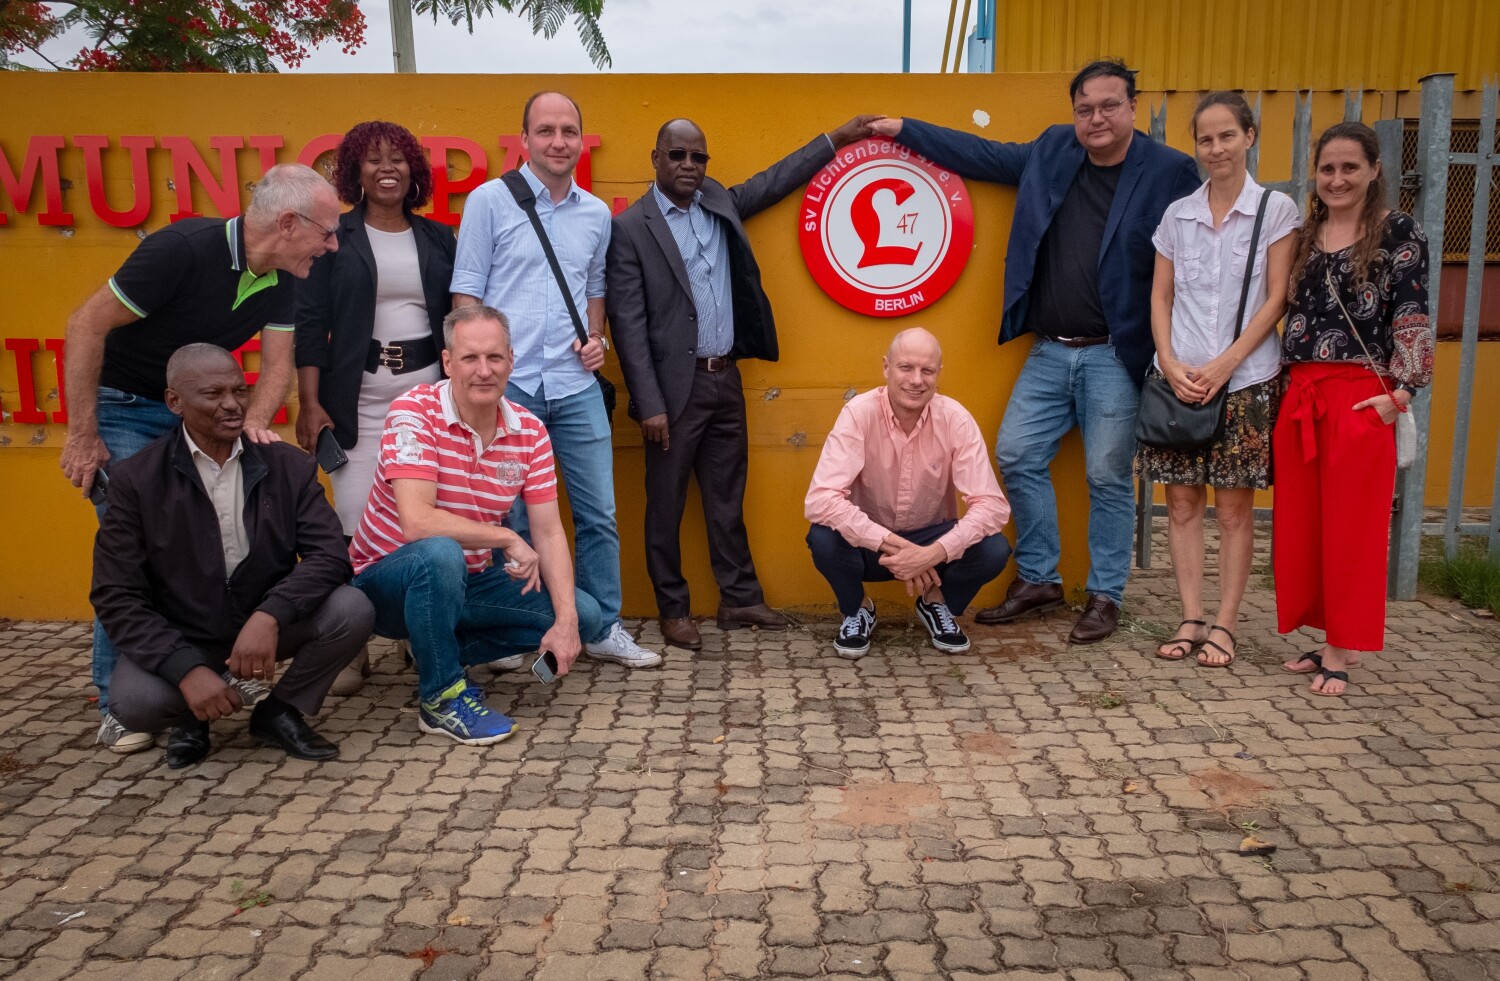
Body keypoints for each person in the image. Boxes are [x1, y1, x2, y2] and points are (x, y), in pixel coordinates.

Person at [869, 60, 1200, 644]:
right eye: (1084, 109)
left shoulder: (1170, 172)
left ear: (1132, 107)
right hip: (1049, 350)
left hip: (1115, 354)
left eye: (1108, 106)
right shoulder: (1052, 150)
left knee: (1106, 476)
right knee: (1017, 455)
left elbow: (1198, 255)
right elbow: (982, 154)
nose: (1095, 118)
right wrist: (905, 129)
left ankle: (1104, 595)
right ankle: (1041, 578)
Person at [60, 163, 343, 754]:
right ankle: (117, 698)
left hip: (206, 408)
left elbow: (274, 366)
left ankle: (207, 666)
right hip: (127, 404)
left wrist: (256, 424)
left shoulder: (286, 274)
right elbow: (85, 326)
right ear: (289, 223)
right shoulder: (180, 250)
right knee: (131, 538)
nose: (333, 243)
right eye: (329, 231)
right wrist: (83, 434)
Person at [605, 114, 878, 650]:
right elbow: (628, 324)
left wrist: (836, 140)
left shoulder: (718, 201)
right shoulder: (631, 229)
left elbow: (776, 180)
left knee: (727, 498)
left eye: (698, 157)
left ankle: (739, 598)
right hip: (672, 394)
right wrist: (650, 402)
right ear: (656, 159)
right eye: (677, 155)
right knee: (665, 506)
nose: (689, 166)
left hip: (725, 379)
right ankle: (673, 608)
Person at [451, 91, 658, 669]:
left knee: (598, 513)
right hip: (508, 390)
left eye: (569, 131)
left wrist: (597, 339)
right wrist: (476, 367)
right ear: (524, 139)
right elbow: (467, 291)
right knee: (509, 516)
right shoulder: (489, 202)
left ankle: (602, 627)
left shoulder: (595, 214)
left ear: (581, 140)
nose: (558, 141)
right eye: (546, 131)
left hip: (573, 384)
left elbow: (595, 288)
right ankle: (521, 629)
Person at [91, 345, 372, 769]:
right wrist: (184, 669)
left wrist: (270, 616)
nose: (231, 405)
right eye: (213, 394)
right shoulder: (136, 480)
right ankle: (193, 717)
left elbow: (329, 556)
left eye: (240, 391)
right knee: (133, 702)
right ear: (175, 402)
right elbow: (116, 594)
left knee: (352, 608)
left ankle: (279, 711)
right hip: (184, 634)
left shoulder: (288, 466)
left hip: (264, 627)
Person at [348, 306, 607, 745]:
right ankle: (441, 699)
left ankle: (433, 651)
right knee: (440, 550)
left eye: (494, 358)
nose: (483, 371)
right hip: (388, 582)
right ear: (448, 362)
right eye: (469, 358)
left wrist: (563, 624)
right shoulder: (412, 412)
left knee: (584, 614)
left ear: (511, 359)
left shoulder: (529, 431)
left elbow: (548, 531)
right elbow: (417, 523)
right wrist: (506, 536)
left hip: (468, 579)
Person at [1138, 92, 1300, 667]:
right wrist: (1170, 359)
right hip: (1178, 379)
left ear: (1249, 137)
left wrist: (1228, 362)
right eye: (1205, 139)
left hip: (1247, 379)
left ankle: (1225, 625)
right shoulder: (1176, 215)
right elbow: (1160, 294)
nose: (1216, 148)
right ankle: (1189, 617)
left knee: (1233, 510)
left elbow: (1277, 296)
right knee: (1181, 504)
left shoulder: (1275, 211)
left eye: (1227, 135)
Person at [294, 120, 456, 695]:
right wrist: (309, 402)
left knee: (423, 516)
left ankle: (418, 630)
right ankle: (351, 645)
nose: (387, 169)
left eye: (398, 159)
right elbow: (310, 325)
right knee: (353, 522)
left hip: (427, 396)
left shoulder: (439, 239)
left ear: (414, 169)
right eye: (373, 160)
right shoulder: (335, 236)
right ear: (354, 171)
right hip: (356, 398)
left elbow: (456, 318)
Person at [1274, 122, 1432, 697]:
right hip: (1302, 397)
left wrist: (1402, 394)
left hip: (1361, 395)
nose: (1337, 179)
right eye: (1327, 169)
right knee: (1305, 528)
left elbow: (1412, 313)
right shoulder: (1305, 233)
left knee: (1353, 529)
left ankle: (1341, 648)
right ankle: (1323, 635)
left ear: (1374, 170)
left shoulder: (1397, 232)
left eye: (1349, 168)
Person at [804, 328, 1012, 658]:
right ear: (887, 367)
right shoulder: (859, 414)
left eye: (927, 370)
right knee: (823, 538)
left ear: (938, 373)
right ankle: (858, 609)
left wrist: (934, 553)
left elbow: (992, 506)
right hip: (872, 547)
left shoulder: (955, 419)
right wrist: (901, 548)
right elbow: (821, 499)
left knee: (994, 548)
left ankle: (936, 604)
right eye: (906, 367)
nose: (916, 380)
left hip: (931, 540)